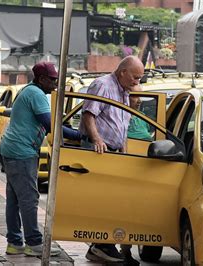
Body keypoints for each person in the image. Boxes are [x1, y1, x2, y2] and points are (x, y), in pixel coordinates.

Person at [0, 62, 82, 257]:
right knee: (29, 198)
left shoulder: (29, 91)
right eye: (52, 80)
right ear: (41, 79)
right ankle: (34, 243)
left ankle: (14, 243)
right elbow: (51, 125)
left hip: (10, 149)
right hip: (21, 152)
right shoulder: (36, 94)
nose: (55, 83)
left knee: (15, 199)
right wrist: (81, 136)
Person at [79, 55, 144, 265]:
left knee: (117, 201)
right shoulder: (103, 85)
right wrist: (97, 139)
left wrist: (135, 99)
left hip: (115, 152)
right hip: (99, 150)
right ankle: (101, 244)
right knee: (103, 201)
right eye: (135, 77)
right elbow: (89, 115)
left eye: (140, 79)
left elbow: (123, 123)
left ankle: (113, 246)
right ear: (123, 72)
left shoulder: (125, 90)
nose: (137, 82)